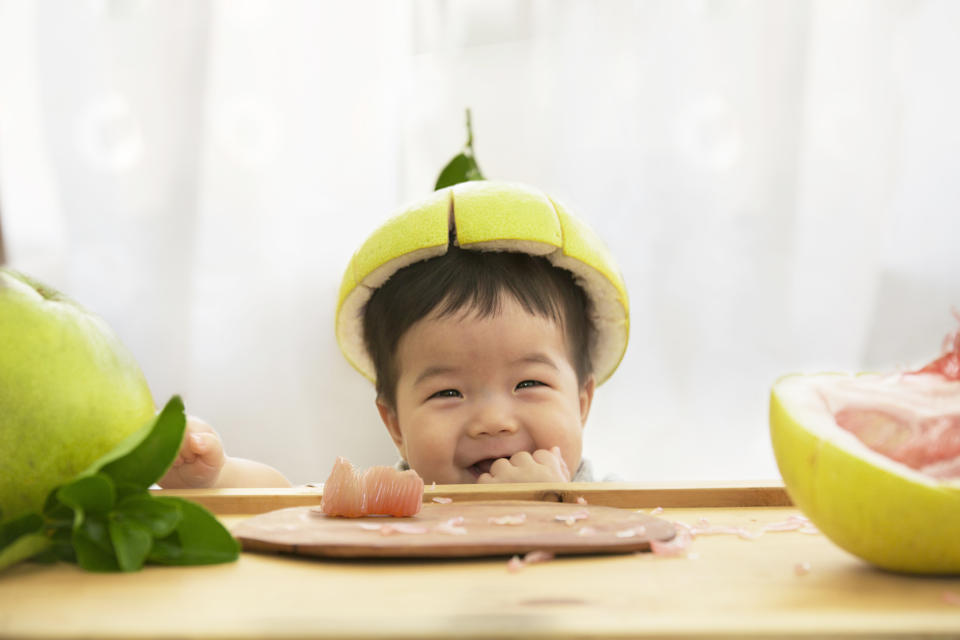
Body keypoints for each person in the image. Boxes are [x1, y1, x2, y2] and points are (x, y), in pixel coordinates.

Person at [159, 180, 628, 487]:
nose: (493, 420)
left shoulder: (616, 505)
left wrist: (554, 509)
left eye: (529, 383)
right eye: (448, 391)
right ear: (396, 425)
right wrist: (215, 476)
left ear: (582, 402)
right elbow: (288, 502)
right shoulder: (399, 498)